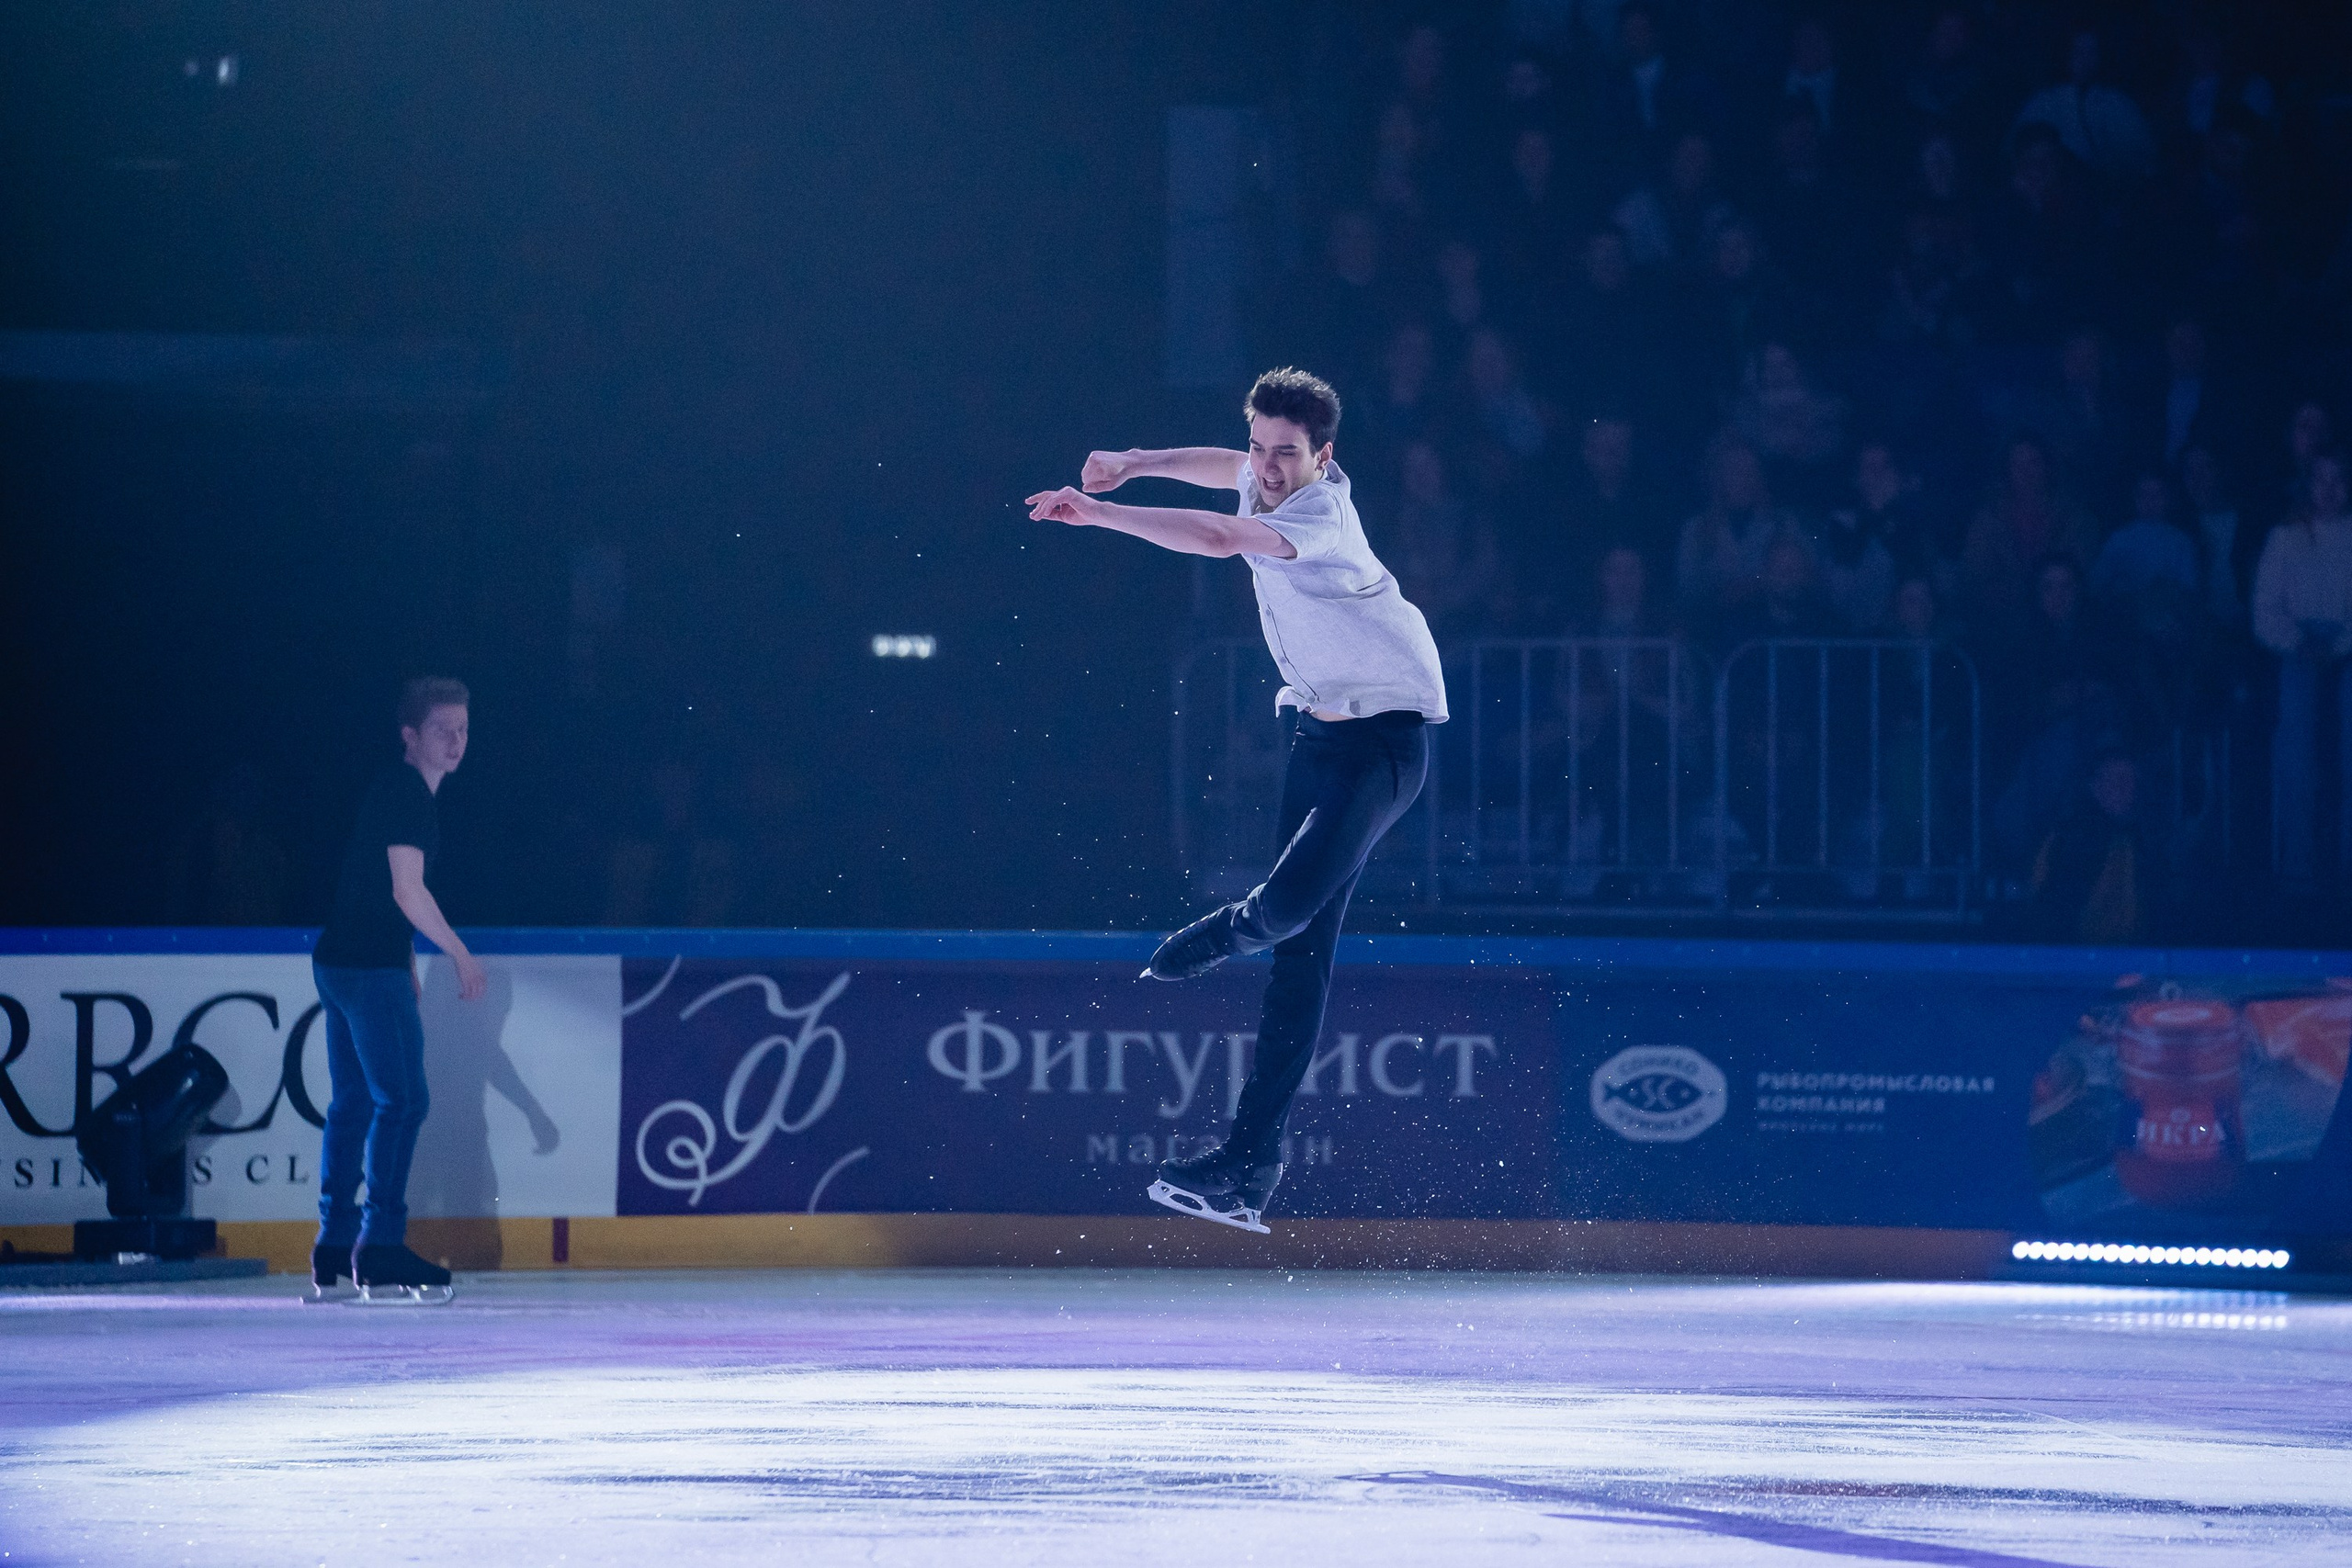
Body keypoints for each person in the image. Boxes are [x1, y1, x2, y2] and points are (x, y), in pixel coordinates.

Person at [1026, 368, 1446, 1232]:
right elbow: (1222, 467)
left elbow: (1221, 536)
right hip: (1320, 738)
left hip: (1385, 744)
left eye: (1285, 454)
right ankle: (1249, 1167)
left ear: (1324, 456)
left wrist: (1100, 512)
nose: (1267, 467)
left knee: (1282, 911)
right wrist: (1136, 460)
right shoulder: (1260, 470)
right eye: (1260, 448)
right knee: (1299, 959)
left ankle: (1212, 936)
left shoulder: (1320, 514)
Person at [308, 677, 487, 1300]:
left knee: (355, 1102)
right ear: (410, 735)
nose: (456, 741)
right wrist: (459, 953)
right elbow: (406, 890)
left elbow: (371, 883)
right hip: (365, 969)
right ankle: (379, 1244)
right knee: (403, 1101)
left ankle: (335, 1243)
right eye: (442, 730)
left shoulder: (396, 789)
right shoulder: (409, 795)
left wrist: (407, 956)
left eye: (463, 729)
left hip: (342, 961)